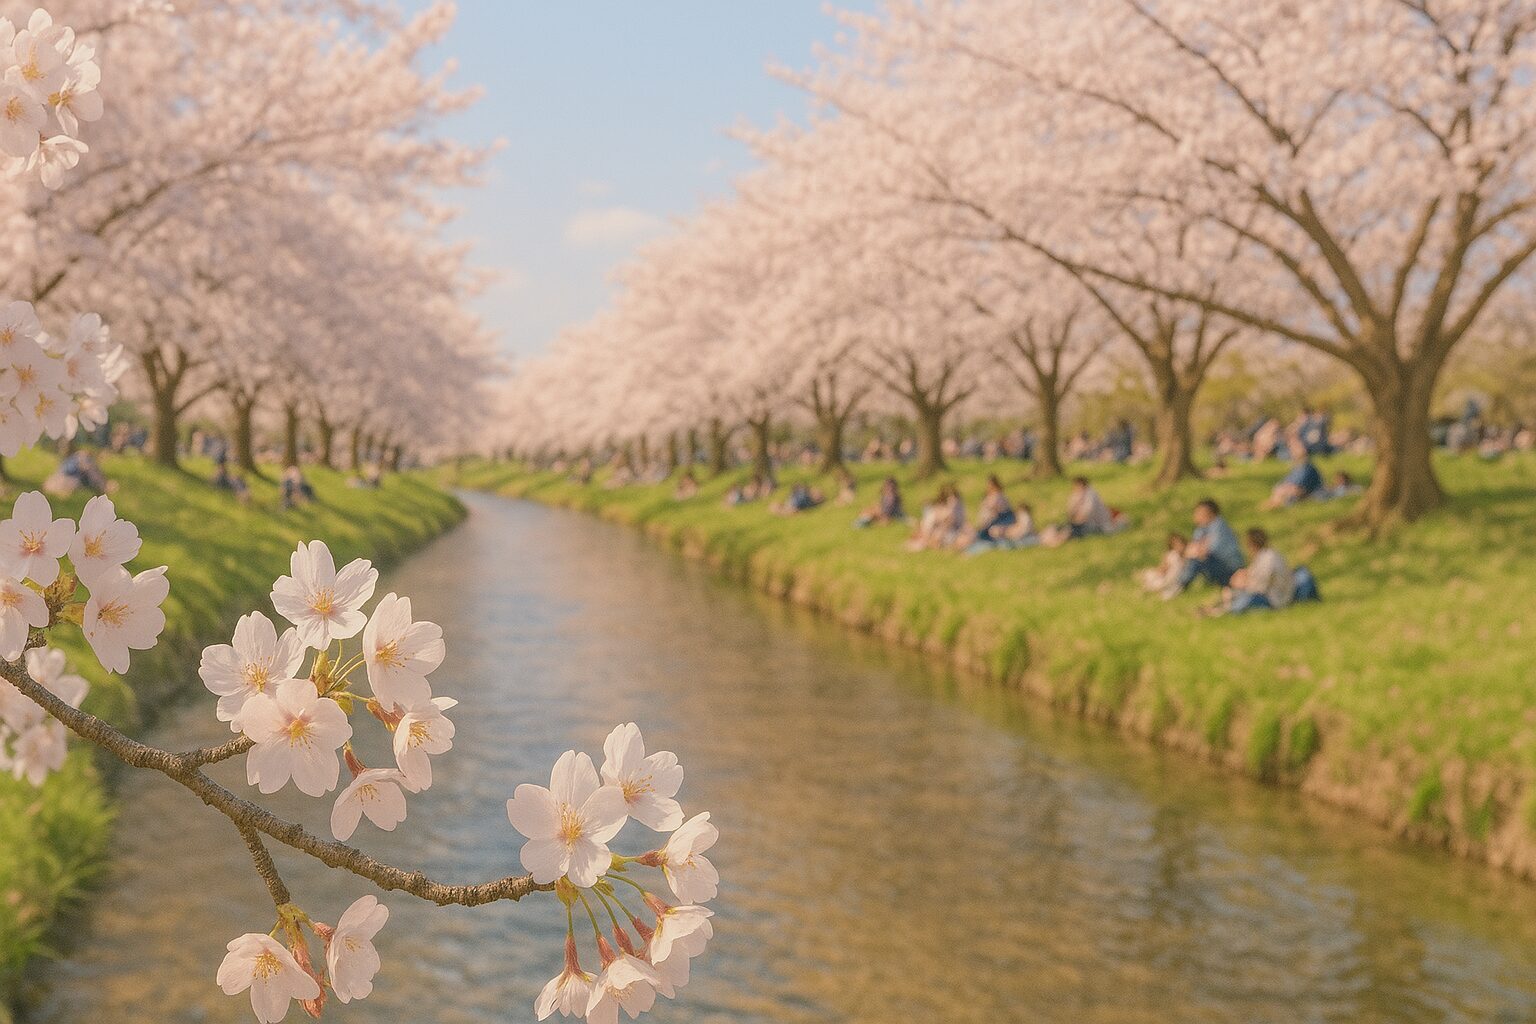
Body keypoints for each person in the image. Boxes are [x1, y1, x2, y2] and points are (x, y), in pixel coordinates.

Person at [1213, 528, 1295, 615]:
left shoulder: (1269, 558)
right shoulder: (1263, 556)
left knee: (1241, 599)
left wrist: (1243, 585)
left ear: (1252, 544)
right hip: (1269, 594)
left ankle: (1221, 611)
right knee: (1233, 594)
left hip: (1274, 598)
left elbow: (1262, 586)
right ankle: (1221, 608)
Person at [1174, 499, 1245, 592]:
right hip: (1215, 564)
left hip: (1230, 568)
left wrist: (1198, 550)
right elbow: (1193, 547)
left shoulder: (1219, 525)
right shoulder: (1201, 529)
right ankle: (1179, 583)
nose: (1195, 516)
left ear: (1208, 512)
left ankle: (1180, 585)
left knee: (1196, 560)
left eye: (1198, 512)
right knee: (1193, 557)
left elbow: (1212, 549)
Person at [969, 474, 1018, 546]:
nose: (988, 486)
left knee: (984, 534)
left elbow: (996, 511)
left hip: (999, 520)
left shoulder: (998, 495)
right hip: (988, 521)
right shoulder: (989, 496)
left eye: (990, 484)